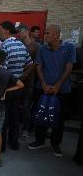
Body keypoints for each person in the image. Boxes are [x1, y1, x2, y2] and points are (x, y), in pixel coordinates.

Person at [28, 25, 76, 157]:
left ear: (56, 35)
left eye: (48, 33)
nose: (45, 35)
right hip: (42, 88)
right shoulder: (42, 48)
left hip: (62, 90)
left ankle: (55, 144)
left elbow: (69, 67)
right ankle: (39, 140)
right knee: (40, 113)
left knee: (59, 118)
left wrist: (57, 85)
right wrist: (43, 83)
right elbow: (39, 66)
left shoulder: (69, 48)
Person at [0, 21, 33, 151]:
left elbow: (2, 69)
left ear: (7, 31)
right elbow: (30, 63)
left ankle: (1, 146)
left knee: (4, 116)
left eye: (1, 29)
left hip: (7, 87)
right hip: (19, 86)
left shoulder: (5, 46)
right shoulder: (22, 45)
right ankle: (14, 143)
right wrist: (22, 75)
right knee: (15, 116)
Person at [17, 24, 40, 139]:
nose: (20, 34)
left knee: (27, 106)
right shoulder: (19, 44)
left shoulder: (36, 46)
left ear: (27, 31)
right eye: (18, 32)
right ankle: (16, 127)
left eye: (21, 31)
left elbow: (36, 63)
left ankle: (26, 129)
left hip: (29, 80)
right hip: (18, 79)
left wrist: (26, 73)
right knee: (17, 105)